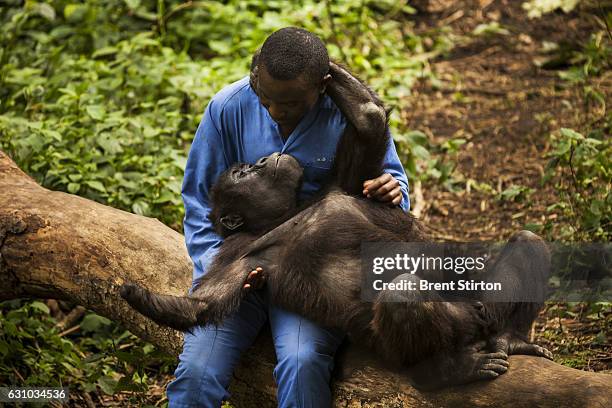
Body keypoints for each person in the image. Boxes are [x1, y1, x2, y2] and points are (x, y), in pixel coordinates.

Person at [167, 27, 410, 407]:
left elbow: (391, 182)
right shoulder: (228, 107)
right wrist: (223, 272)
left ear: (322, 86)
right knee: (197, 370)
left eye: (292, 104)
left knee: (302, 361)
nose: (276, 112)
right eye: (265, 99)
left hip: (310, 279)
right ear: (254, 75)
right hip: (241, 269)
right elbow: (198, 203)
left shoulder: (349, 114)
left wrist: (392, 190)